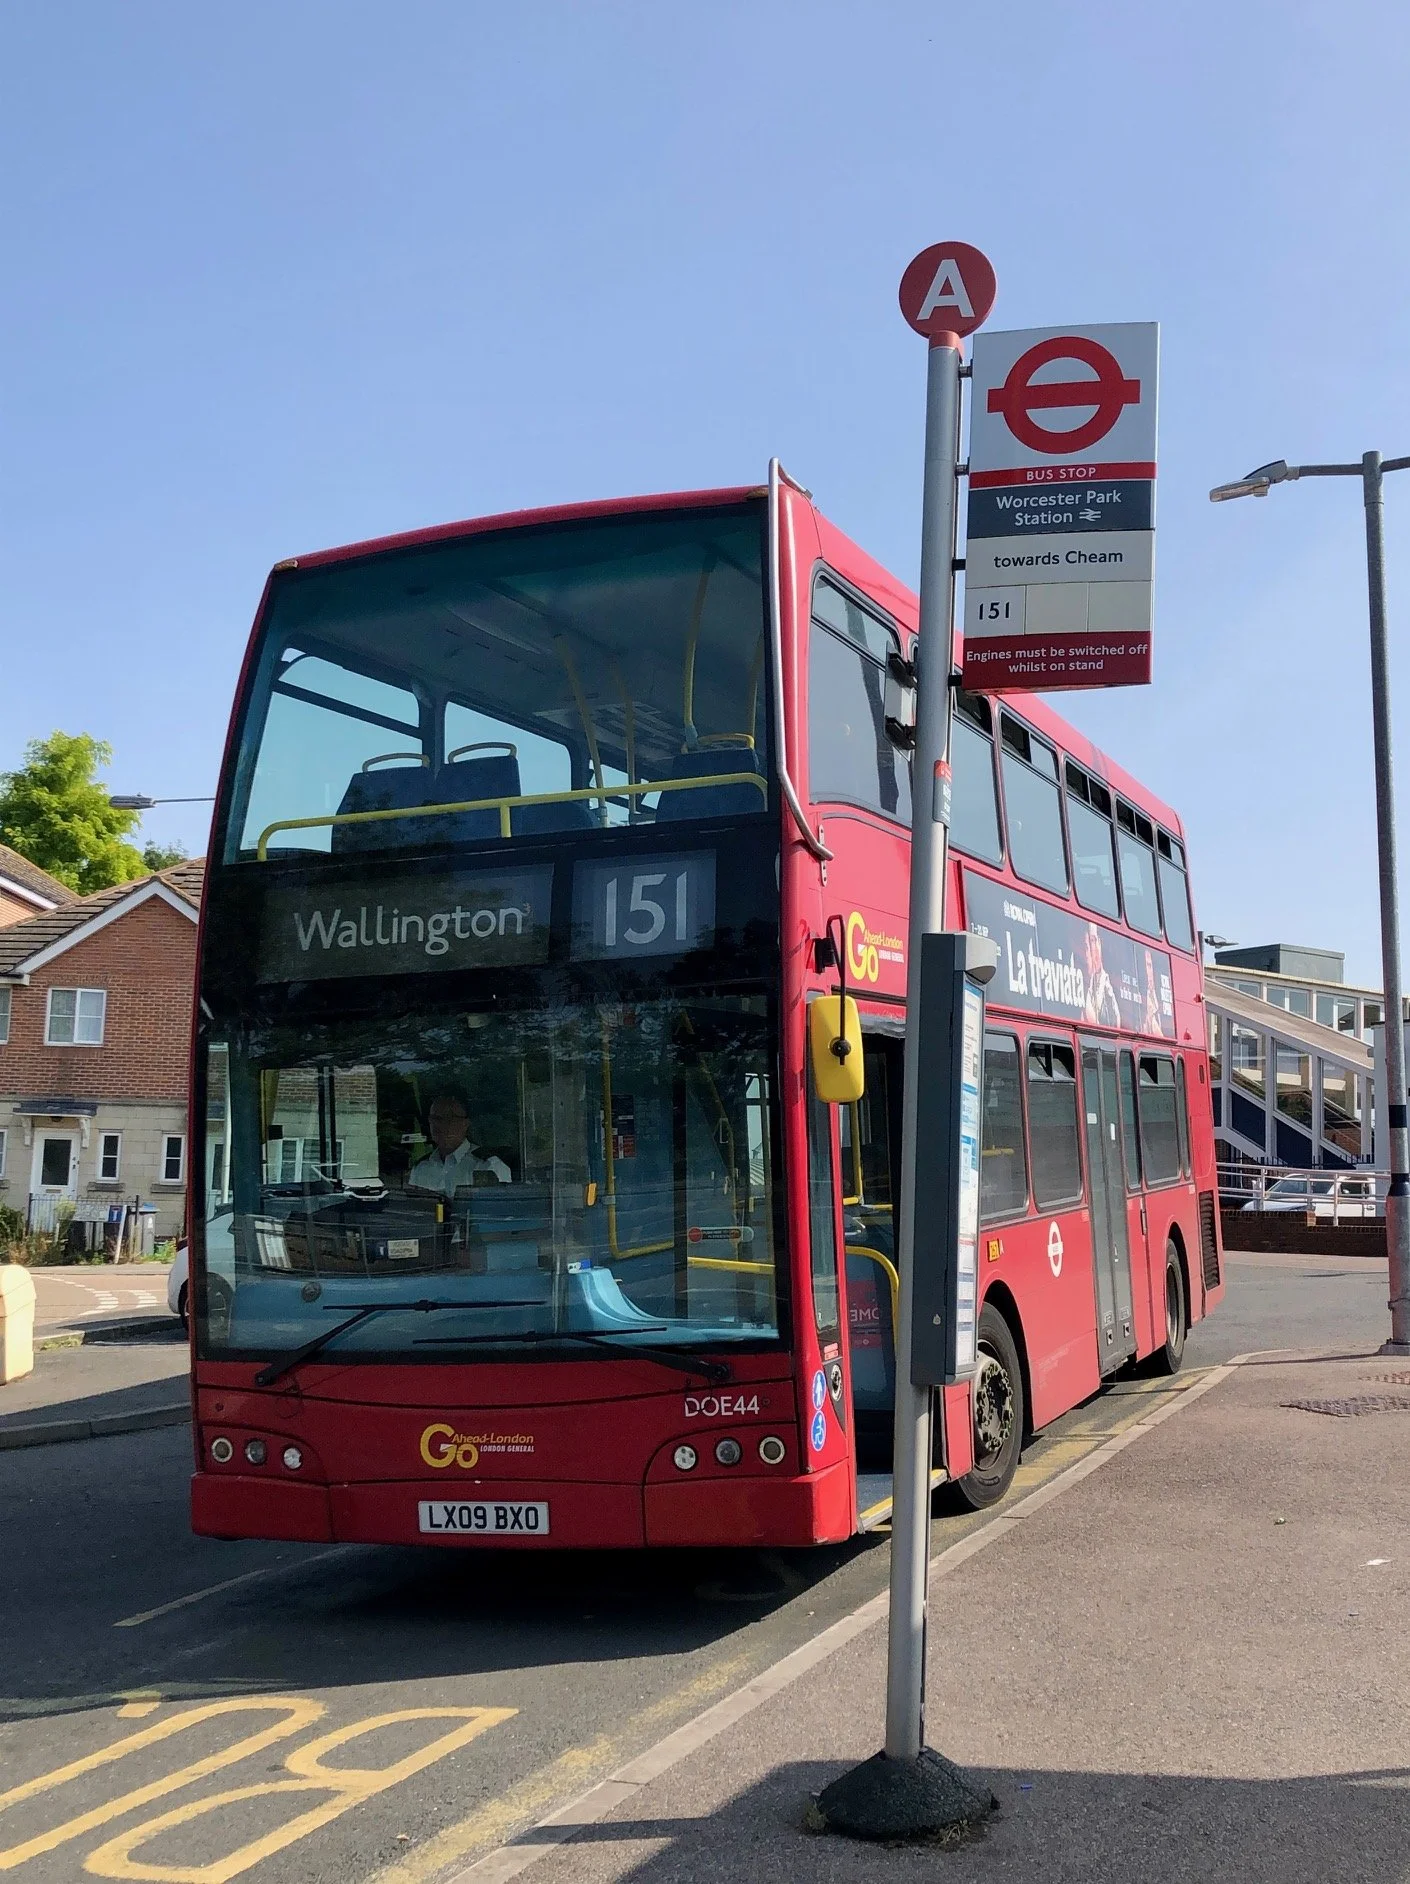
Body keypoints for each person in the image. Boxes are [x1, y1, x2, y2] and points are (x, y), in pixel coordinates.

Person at [408, 1086, 511, 1193]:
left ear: (465, 1123)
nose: (440, 1124)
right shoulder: (420, 1168)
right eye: (435, 1118)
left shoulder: (488, 1165)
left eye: (449, 1118)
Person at [1081, 923, 1121, 1028]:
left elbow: (1117, 1024)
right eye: (1086, 946)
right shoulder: (1085, 987)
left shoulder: (1107, 984)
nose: (1091, 950)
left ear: (1099, 943)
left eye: (1093, 941)